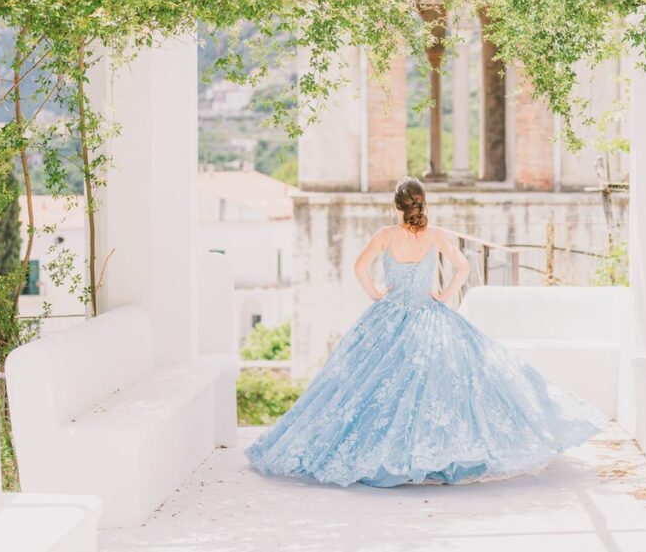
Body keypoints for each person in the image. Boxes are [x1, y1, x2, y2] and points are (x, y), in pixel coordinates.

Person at [246, 177, 607, 487]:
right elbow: (463, 268)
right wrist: (443, 296)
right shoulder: (434, 236)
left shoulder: (385, 235)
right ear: (421, 203)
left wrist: (375, 295)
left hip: (388, 314)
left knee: (368, 388)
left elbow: (360, 267)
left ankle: (391, 457)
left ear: (397, 206)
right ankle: (430, 455)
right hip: (428, 313)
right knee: (439, 388)